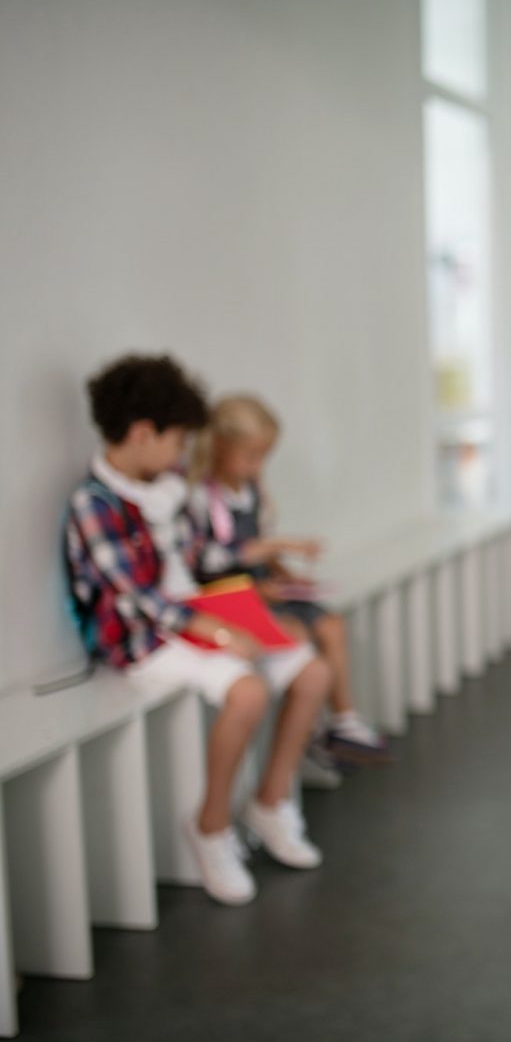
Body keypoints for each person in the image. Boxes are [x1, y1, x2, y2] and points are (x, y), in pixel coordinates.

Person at [63, 355, 331, 906]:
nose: (184, 454)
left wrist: (253, 584)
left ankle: (270, 802)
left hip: (195, 615)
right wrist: (218, 630)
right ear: (142, 434)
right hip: (144, 639)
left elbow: (196, 557)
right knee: (249, 689)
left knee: (312, 670)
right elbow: (138, 599)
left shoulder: (164, 488)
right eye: (179, 440)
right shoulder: (94, 505)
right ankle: (211, 826)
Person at [186, 394, 392, 788]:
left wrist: (289, 575)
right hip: (233, 597)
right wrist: (276, 550)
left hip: (266, 586)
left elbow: (262, 547)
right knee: (299, 645)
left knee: (331, 624)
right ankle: (313, 742)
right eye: (251, 456)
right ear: (219, 446)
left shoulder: (253, 492)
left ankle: (345, 722)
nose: (257, 467)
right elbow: (207, 563)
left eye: (263, 457)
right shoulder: (201, 497)